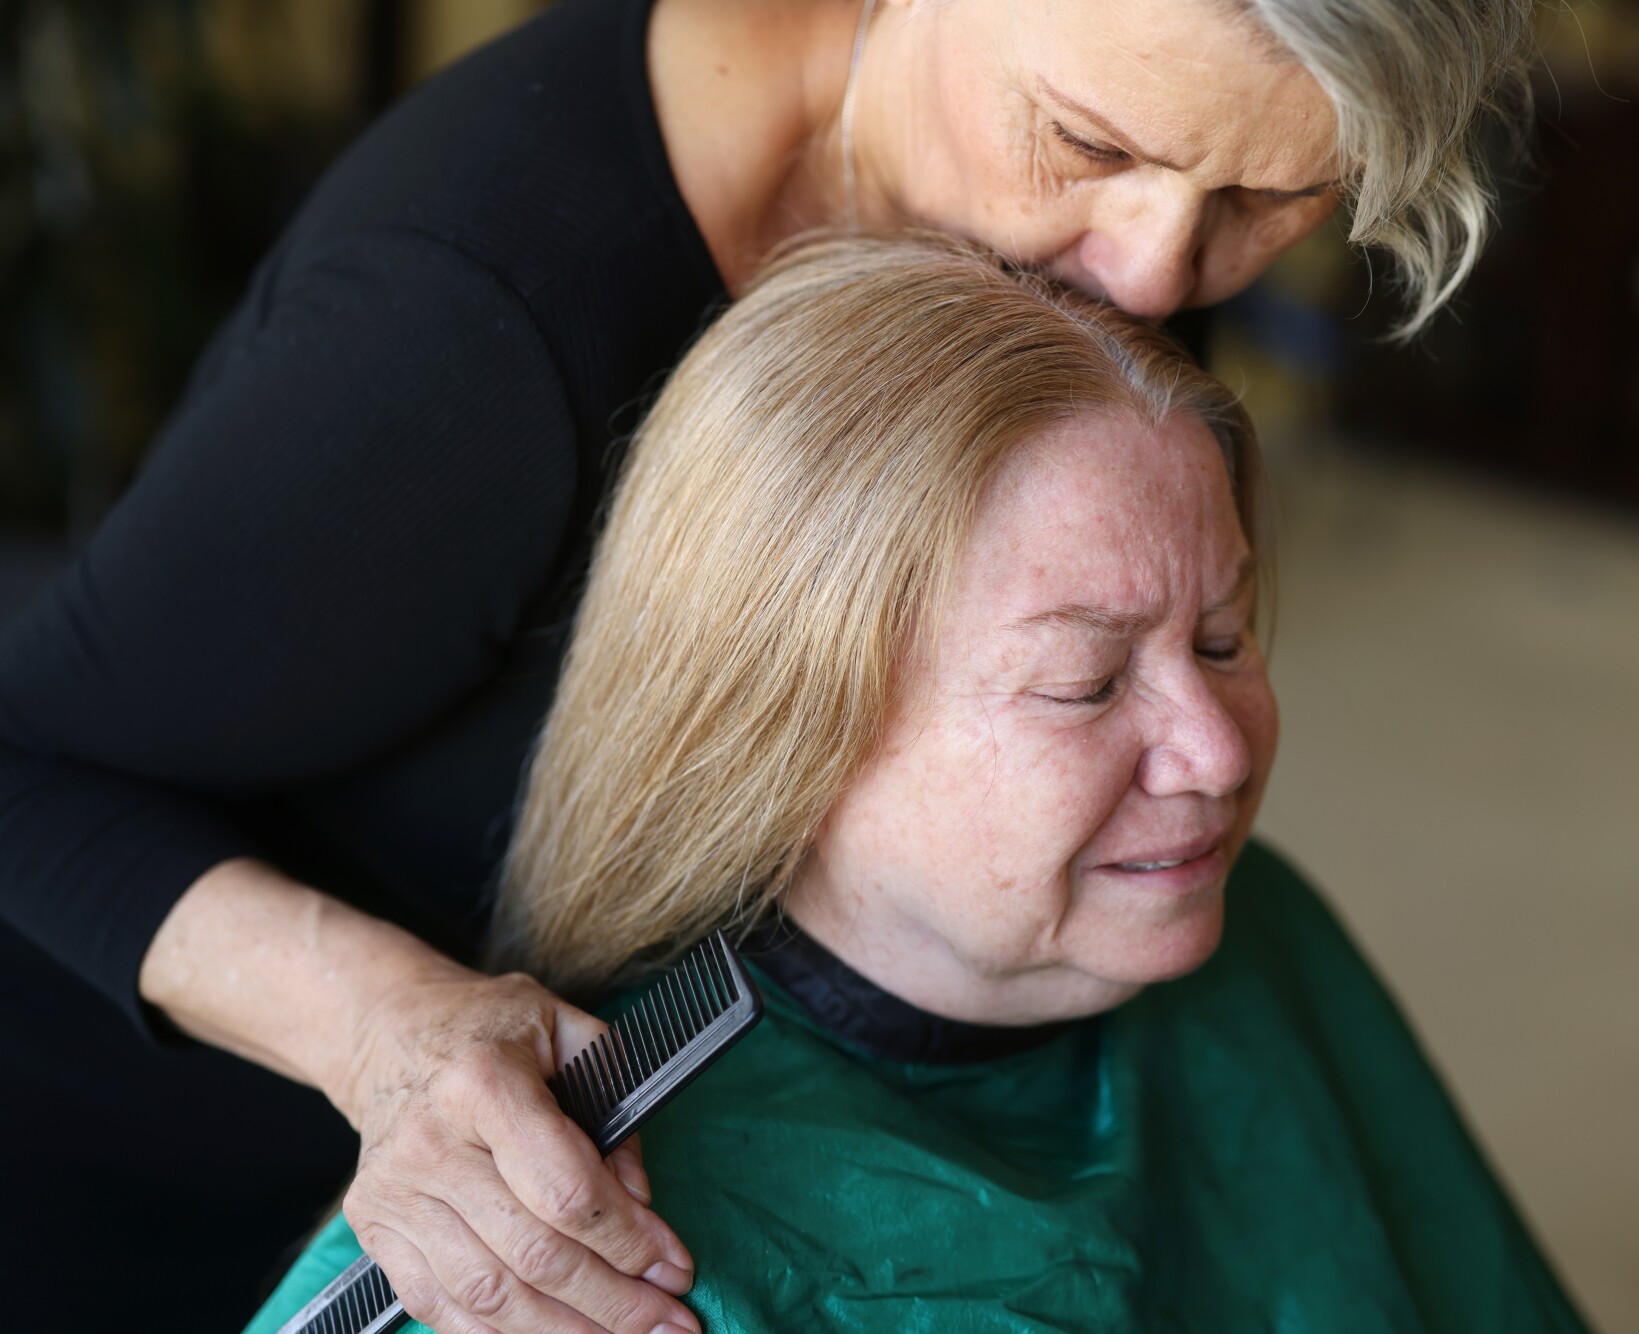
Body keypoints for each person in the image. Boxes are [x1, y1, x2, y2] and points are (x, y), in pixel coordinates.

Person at [0, 1, 1536, 1329]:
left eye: (1273, 197)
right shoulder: (477, 319)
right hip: (184, 1152)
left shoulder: (1121, 183)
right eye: (1086, 143)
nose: (1145, 276)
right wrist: (387, 1034)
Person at [241, 229, 1589, 1334]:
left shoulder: (1262, 933)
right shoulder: (554, 1248)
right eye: (1087, 681)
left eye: (1225, 638)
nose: (1223, 751)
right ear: (790, 726)